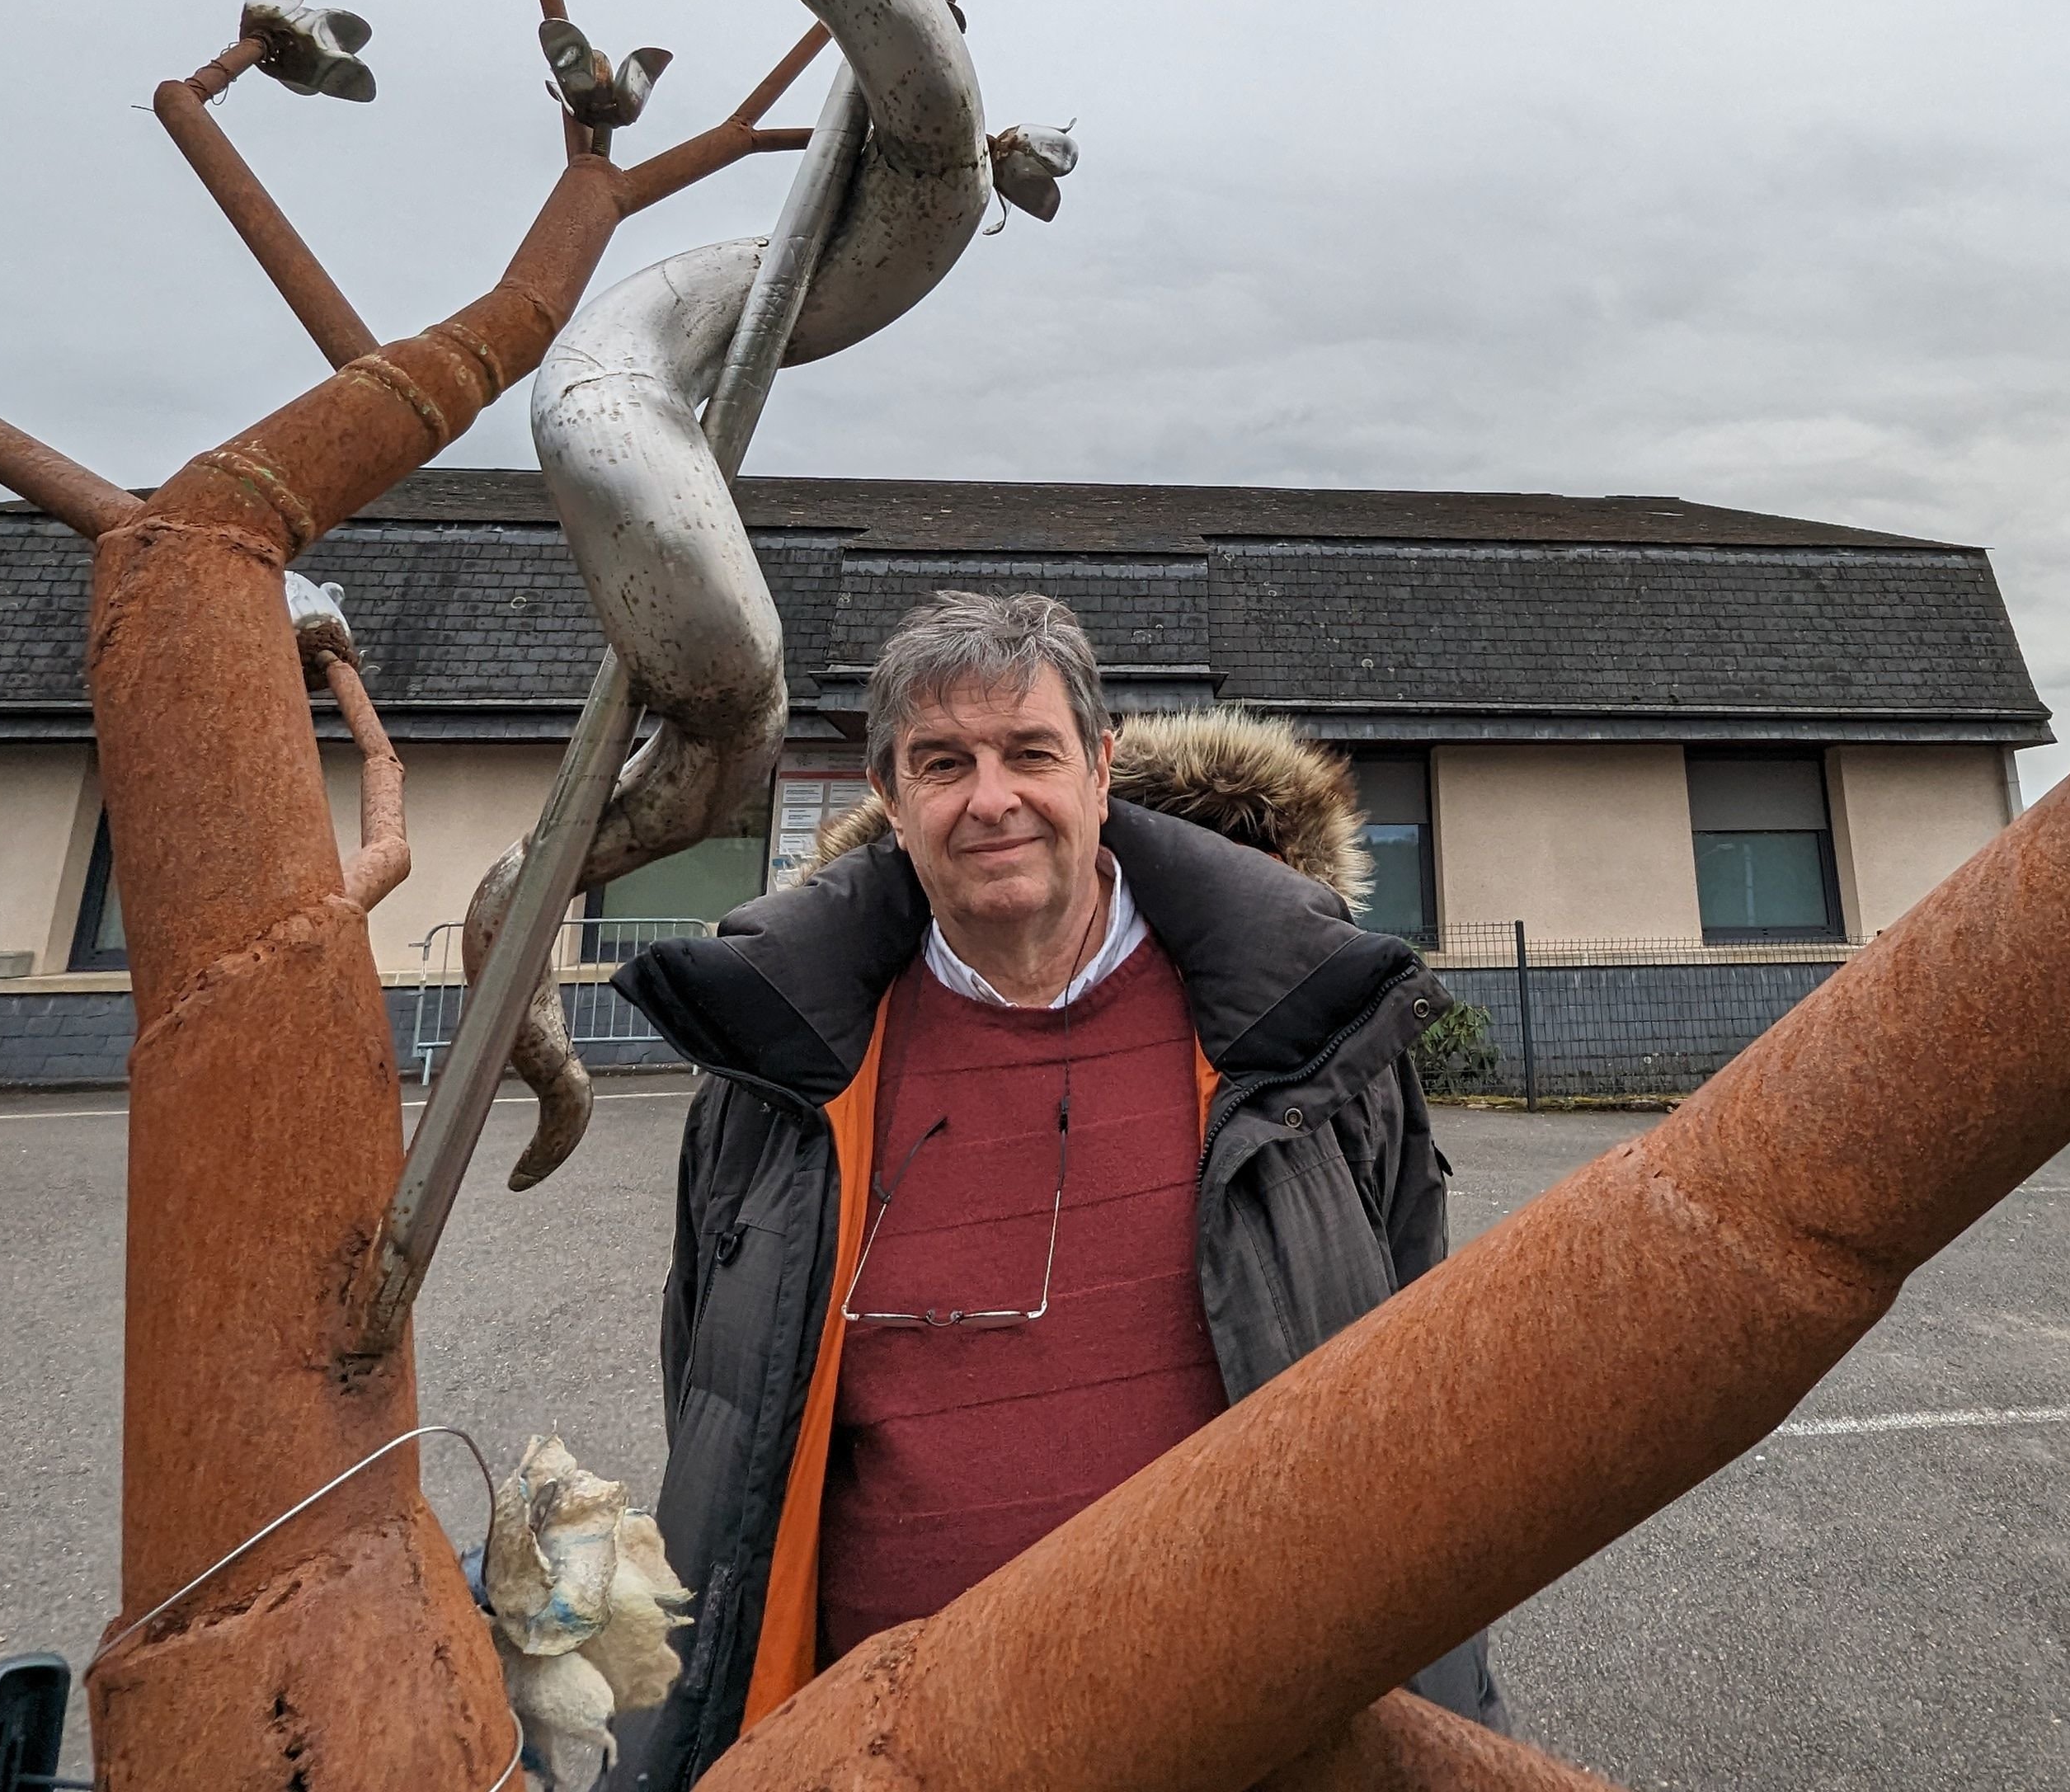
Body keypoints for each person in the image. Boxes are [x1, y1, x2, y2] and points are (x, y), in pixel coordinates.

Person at [609, 590, 1503, 1786]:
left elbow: (1406, 1343)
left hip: (1260, 1738)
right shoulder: (781, 1072)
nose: (992, 800)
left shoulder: (1298, 1031)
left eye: (1031, 753)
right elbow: (721, 1398)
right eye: (942, 762)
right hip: (898, 1747)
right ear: (889, 795)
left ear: (1099, 770)